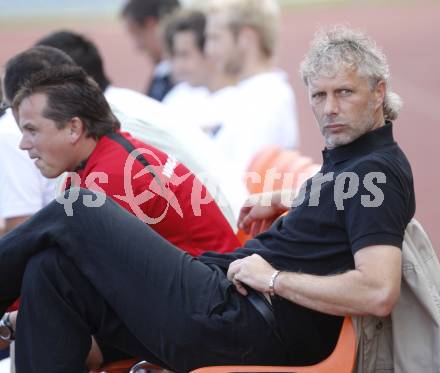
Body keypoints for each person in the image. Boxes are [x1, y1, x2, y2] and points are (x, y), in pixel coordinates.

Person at [0, 26, 415, 373]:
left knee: (78, 211)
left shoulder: (374, 171)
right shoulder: (353, 165)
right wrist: (290, 198)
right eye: (319, 95)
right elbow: (345, 212)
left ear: (378, 93)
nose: (329, 109)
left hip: (242, 319)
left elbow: (378, 291)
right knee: (51, 271)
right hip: (224, 304)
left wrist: (274, 279)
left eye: (345, 93)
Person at [34, 31, 247, 221]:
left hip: (229, 232)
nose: (24, 142)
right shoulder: (124, 104)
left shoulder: (111, 120)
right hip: (231, 215)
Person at [204, 0, 300, 173]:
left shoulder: (266, 98)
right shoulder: (249, 94)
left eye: (216, 38)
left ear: (245, 38)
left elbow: (241, 182)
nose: (209, 49)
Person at [162, 9, 237, 136]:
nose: (177, 65)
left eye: (184, 55)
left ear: (208, 51)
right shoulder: (176, 98)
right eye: (175, 56)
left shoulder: (242, 101)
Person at [121, 0, 180, 101]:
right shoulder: (162, 75)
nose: (137, 47)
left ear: (152, 25)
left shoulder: (179, 79)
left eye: (137, 34)